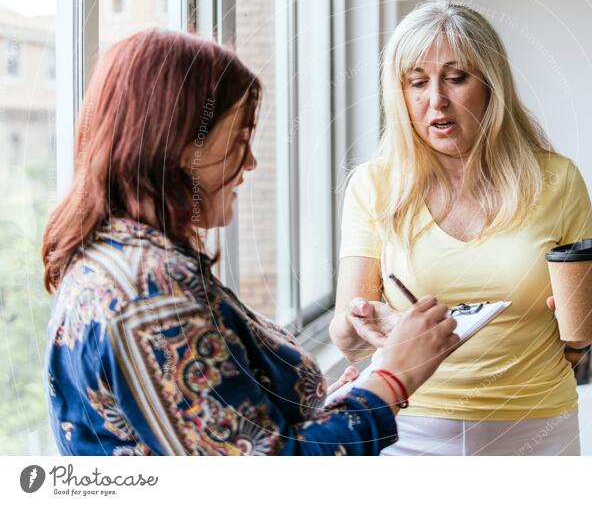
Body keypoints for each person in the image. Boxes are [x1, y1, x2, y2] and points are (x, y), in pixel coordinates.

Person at [42, 29, 457, 455]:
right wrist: (394, 379)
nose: (251, 162)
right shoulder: (151, 297)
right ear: (181, 146)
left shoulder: (121, 263)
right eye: (240, 141)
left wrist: (345, 403)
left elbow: (221, 434)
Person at [330, 0, 592, 456]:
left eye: (456, 78)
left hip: (537, 427)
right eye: (417, 83)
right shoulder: (374, 186)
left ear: (490, 84)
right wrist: (362, 322)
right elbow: (346, 336)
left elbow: (576, 340)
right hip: (410, 431)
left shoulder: (557, 180)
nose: (435, 99)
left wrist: (588, 322)